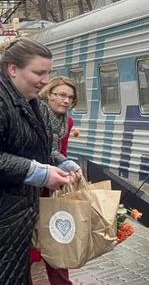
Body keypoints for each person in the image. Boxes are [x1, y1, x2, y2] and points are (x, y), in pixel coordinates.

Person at [0, 37, 82, 285]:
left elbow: (40, 148)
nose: (46, 80)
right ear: (13, 69)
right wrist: (38, 173)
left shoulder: (32, 102)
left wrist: (63, 163)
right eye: (39, 72)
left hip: (17, 217)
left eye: (48, 73)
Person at [30, 77, 80, 285]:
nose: (66, 100)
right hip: (31, 181)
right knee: (28, 242)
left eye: (70, 97)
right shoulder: (34, 115)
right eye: (61, 94)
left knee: (58, 238)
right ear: (48, 94)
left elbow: (61, 151)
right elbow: (43, 151)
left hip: (52, 185)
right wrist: (67, 165)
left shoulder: (67, 121)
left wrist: (67, 174)